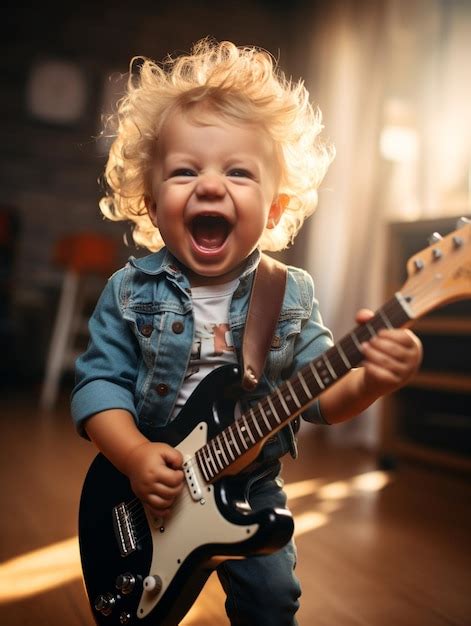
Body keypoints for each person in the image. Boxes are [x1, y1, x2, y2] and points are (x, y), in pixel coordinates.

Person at [71, 38, 422, 625]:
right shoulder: (131, 291)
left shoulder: (290, 297)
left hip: (248, 487)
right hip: (142, 490)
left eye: (238, 172)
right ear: (152, 205)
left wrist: (373, 382)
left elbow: (325, 398)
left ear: (276, 207)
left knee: (272, 600)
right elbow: (96, 386)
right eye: (185, 172)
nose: (210, 186)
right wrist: (134, 458)